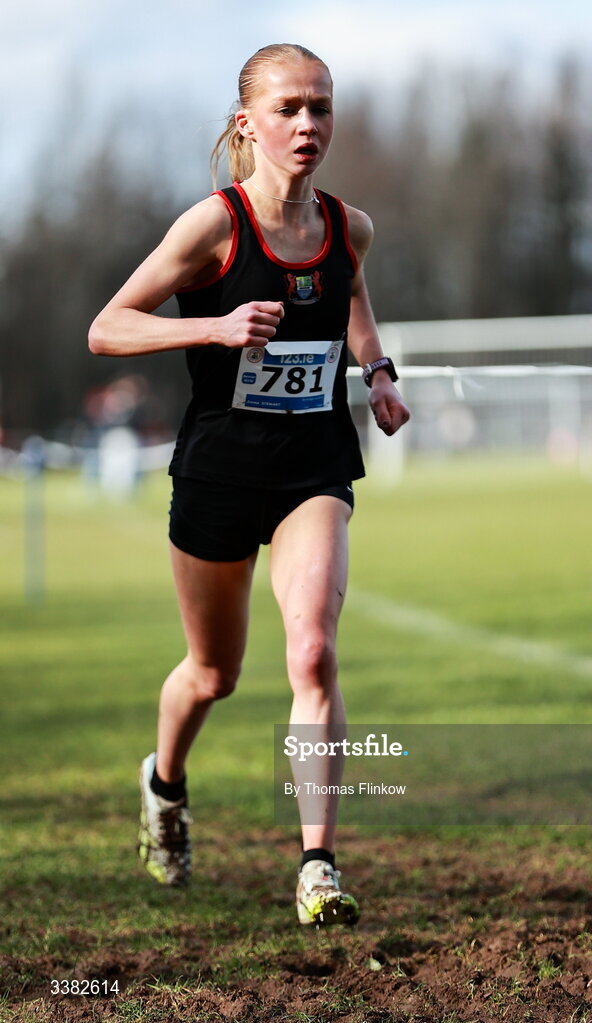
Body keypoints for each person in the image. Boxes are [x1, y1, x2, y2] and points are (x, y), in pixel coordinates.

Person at [88, 42, 410, 927]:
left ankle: (317, 866)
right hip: (219, 468)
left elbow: (350, 299)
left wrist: (376, 370)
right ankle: (164, 784)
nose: (308, 125)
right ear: (248, 124)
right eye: (287, 109)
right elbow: (107, 329)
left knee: (311, 650)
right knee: (213, 672)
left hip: (311, 463)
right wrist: (215, 328)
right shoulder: (213, 228)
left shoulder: (351, 226)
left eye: (321, 106)